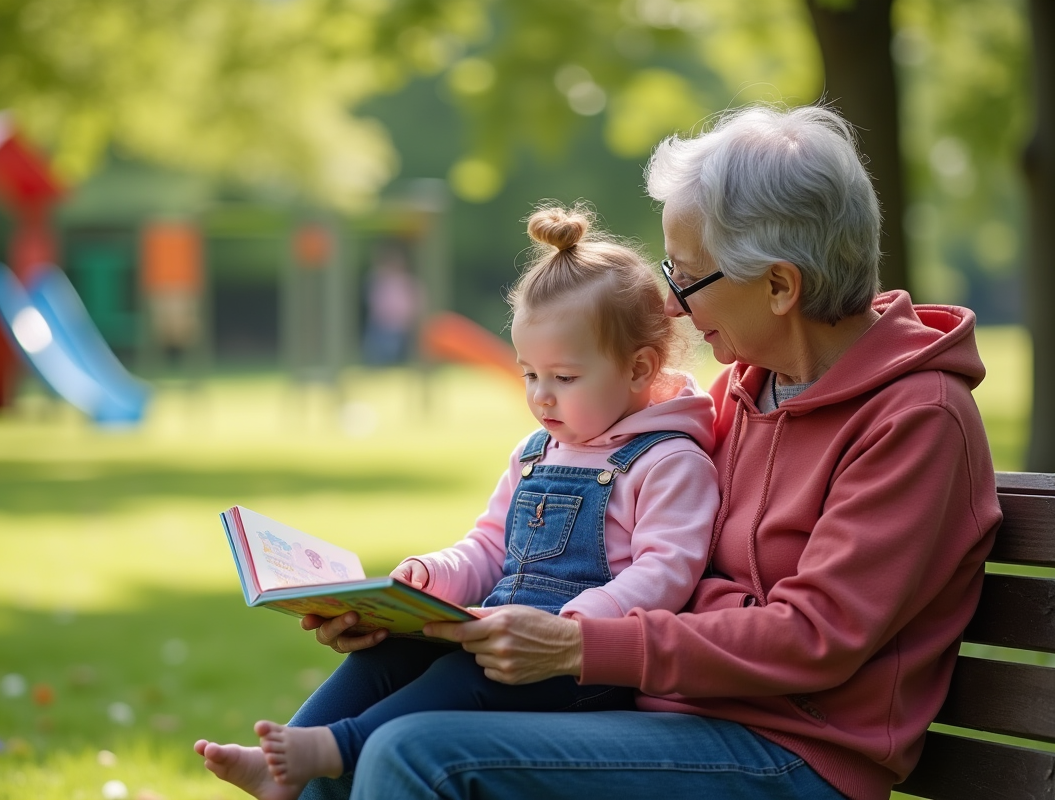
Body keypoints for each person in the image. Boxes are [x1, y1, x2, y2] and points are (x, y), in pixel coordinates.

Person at [204, 103, 1003, 800]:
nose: (670, 305)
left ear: (780, 287)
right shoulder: (741, 392)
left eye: (687, 280)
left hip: (789, 757)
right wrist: (404, 614)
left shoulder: (916, 420)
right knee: (371, 708)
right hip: (662, 708)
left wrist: (585, 642)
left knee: (421, 757)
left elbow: (813, 636)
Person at [194, 204, 722, 799]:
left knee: (467, 670)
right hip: (500, 636)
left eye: (564, 378)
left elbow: (666, 572)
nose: (542, 397)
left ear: (638, 369)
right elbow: (489, 547)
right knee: (394, 649)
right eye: (529, 375)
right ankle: (292, 747)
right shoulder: (536, 453)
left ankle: (335, 749)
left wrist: (573, 630)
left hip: (580, 669)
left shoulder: (669, 461)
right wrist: (431, 576)